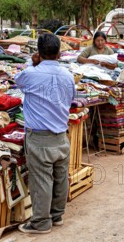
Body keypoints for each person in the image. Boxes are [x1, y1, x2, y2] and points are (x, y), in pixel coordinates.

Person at [14, 34, 75, 234]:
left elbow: (17, 80)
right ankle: (56, 215)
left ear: (38, 53)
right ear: (59, 53)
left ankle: (41, 222)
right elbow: (72, 98)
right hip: (60, 136)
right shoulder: (67, 75)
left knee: (41, 180)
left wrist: (33, 63)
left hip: (40, 137)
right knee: (60, 177)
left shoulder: (31, 74)